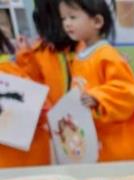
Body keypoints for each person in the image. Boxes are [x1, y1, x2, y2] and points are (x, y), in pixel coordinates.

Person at [58, 0, 134, 161]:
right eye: (63, 18)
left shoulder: (107, 55)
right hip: (97, 138)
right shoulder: (79, 57)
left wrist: (97, 97)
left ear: (97, 21)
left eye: (72, 17)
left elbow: (126, 91)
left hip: (118, 142)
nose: (67, 23)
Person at [0, 0, 75, 168]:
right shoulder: (34, 53)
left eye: (72, 17)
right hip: (44, 143)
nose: (69, 23)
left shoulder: (79, 51)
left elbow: (37, 101)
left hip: (63, 134)